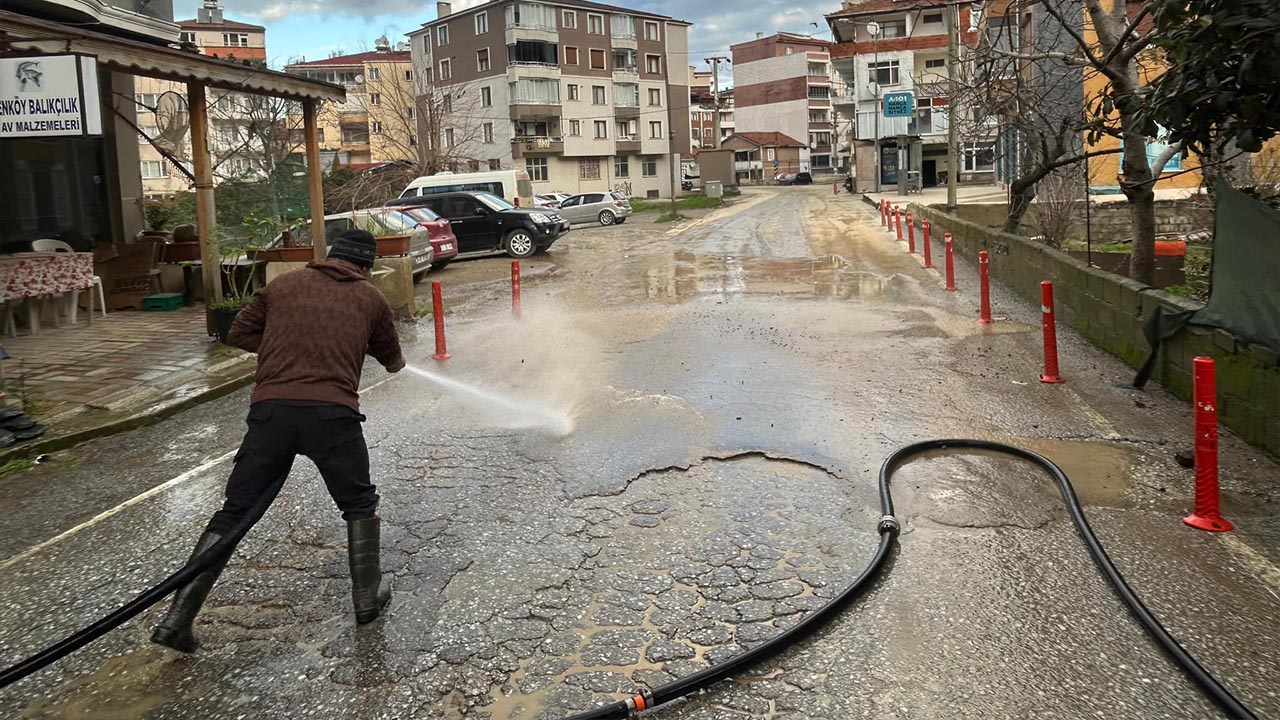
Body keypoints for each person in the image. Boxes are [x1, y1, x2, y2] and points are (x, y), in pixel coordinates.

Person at [152, 229, 406, 653]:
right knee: (358, 504)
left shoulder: (283, 285)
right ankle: (367, 600)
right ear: (363, 266)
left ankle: (177, 619)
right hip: (332, 416)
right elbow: (393, 361)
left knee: (234, 512)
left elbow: (237, 333)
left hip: (271, 415)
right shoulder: (370, 298)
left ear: (330, 256)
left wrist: (284, 348)